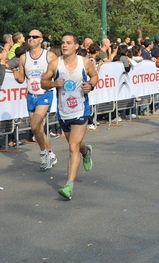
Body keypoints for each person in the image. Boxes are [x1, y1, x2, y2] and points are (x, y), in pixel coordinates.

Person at [41, 32, 98, 200]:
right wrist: (52, 83)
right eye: (62, 43)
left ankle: (68, 186)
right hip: (63, 112)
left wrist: (91, 86)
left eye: (68, 43)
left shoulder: (84, 62)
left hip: (81, 110)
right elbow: (43, 83)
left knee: (73, 146)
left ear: (76, 46)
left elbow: (94, 76)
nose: (64, 45)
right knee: (77, 146)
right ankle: (86, 152)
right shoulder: (55, 64)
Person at [13, 29, 57, 170]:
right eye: (29, 36)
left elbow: (59, 74)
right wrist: (16, 75)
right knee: (38, 129)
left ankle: (43, 154)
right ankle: (50, 153)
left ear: (40, 39)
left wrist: (49, 75)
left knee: (34, 126)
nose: (31, 38)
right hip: (30, 95)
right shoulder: (23, 58)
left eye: (34, 36)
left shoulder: (49, 56)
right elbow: (21, 79)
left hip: (45, 94)